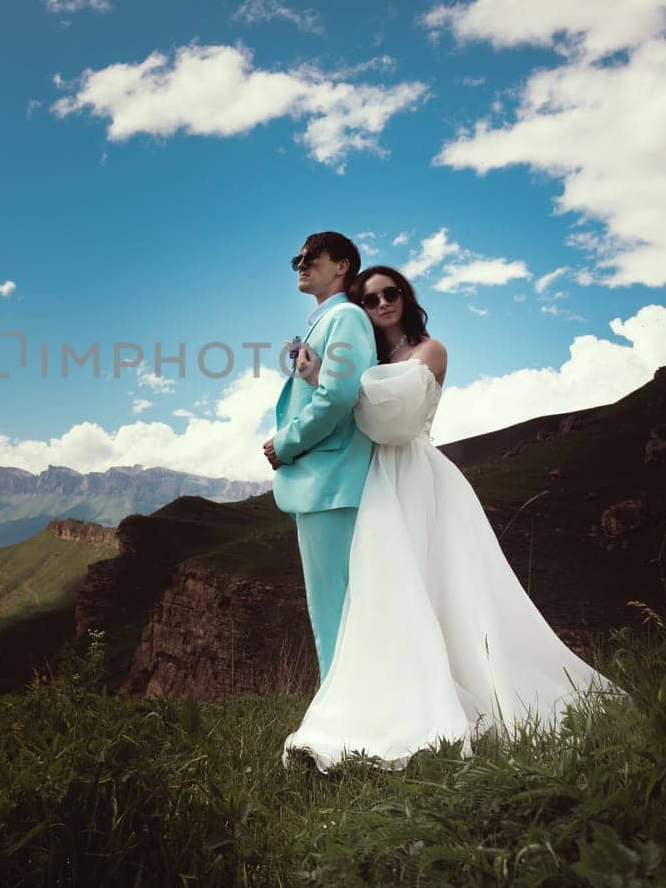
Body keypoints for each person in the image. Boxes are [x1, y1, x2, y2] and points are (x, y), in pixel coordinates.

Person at [280, 265, 622, 773]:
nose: (381, 305)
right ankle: (393, 691)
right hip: (379, 480)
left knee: (441, 584)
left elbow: (390, 424)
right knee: (390, 591)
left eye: (390, 294)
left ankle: (463, 691)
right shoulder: (370, 357)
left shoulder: (429, 351)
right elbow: (354, 409)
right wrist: (319, 381)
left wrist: (325, 381)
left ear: (406, 296)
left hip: (416, 475)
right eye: (370, 301)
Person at [263, 232, 377, 688]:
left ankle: (343, 717)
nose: (301, 265)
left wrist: (285, 443)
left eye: (311, 258)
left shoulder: (345, 317)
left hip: (330, 481)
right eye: (297, 258)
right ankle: (349, 706)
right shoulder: (326, 321)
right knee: (334, 606)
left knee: (333, 608)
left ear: (342, 265)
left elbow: (339, 396)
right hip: (326, 482)